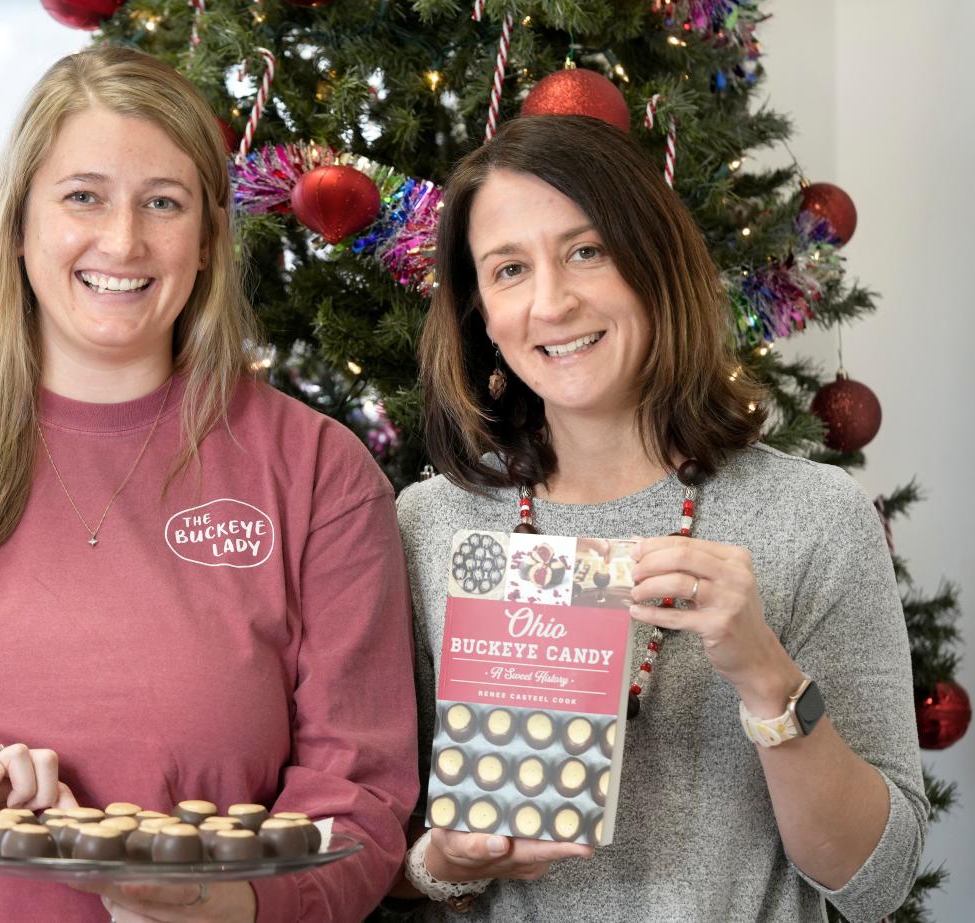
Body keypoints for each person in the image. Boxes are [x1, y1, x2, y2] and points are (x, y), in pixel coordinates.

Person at [0, 46, 417, 923]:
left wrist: (232, 909)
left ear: (208, 240)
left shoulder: (318, 476)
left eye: (162, 203)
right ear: (19, 225)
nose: (122, 241)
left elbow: (358, 799)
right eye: (83, 196)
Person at [391, 115, 925, 922]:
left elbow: (875, 882)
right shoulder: (431, 527)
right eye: (507, 269)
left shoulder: (815, 516)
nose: (552, 302)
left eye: (587, 251)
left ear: (654, 263)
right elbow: (381, 851)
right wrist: (443, 857)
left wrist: (766, 676)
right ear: (481, 316)